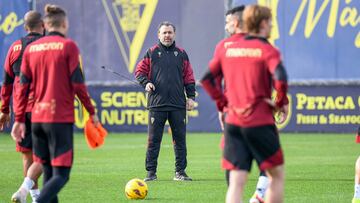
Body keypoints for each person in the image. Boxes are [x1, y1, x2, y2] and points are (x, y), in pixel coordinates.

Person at [11, 4, 99, 203]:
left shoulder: (31, 49)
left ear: (46, 24)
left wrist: (18, 120)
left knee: (49, 173)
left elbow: (22, 87)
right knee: (62, 174)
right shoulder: (68, 46)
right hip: (58, 118)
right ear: (65, 24)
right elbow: (78, 85)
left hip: (36, 119)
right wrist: (91, 111)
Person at [201, 4, 288, 203]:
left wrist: (223, 104)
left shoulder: (227, 48)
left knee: (236, 181)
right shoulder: (267, 49)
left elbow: (206, 79)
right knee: (277, 175)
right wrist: (280, 102)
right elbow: (281, 77)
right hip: (259, 120)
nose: (273, 25)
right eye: (271, 22)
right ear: (263, 24)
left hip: (233, 122)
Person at [217, 6, 269, 203]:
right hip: (238, 112)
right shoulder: (256, 45)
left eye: (229, 21)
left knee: (264, 159)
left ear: (238, 22)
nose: (227, 25)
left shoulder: (232, 47)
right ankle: (258, 195)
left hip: (247, 112)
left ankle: (257, 195)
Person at [135, 21, 196, 182]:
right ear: (159, 35)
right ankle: (150, 173)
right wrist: (145, 83)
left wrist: (191, 97)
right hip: (157, 104)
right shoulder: (151, 52)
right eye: (164, 33)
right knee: (153, 140)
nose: (167, 35)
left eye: (170, 32)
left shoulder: (182, 54)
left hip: (178, 105)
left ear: (174, 34)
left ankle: (180, 172)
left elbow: (189, 77)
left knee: (180, 140)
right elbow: (139, 71)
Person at [0, 10, 44, 203]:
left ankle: (34, 198)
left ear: (25, 27)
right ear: (42, 25)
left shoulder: (15, 47)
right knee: (50, 155)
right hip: (44, 108)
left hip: (21, 111)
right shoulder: (47, 46)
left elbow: (7, 83)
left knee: (27, 157)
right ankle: (26, 190)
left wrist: (4, 110)